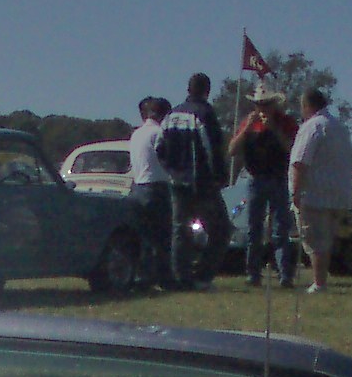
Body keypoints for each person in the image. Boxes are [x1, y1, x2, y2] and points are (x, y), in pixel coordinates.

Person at [159, 72, 230, 289]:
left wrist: (171, 170)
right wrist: (219, 176)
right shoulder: (204, 113)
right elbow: (212, 148)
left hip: (177, 181)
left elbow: (160, 148)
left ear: (188, 89)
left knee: (180, 229)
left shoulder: (172, 114)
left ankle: (181, 277)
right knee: (221, 229)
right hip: (201, 182)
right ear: (207, 90)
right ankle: (202, 275)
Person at [288, 89, 352, 294]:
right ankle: (321, 280)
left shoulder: (312, 127)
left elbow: (300, 162)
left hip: (314, 192)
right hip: (337, 192)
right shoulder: (339, 128)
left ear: (307, 106)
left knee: (314, 239)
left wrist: (296, 192)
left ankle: (319, 283)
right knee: (326, 239)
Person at [229, 96, 294, 286]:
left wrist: (274, 128)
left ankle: (284, 274)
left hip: (278, 179)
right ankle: (253, 273)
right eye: (259, 104)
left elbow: (291, 148)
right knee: (253, 229)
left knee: (280, 229)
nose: (262, 108)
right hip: (255, 179)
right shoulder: (249, 123)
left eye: (266, 104)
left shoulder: (285, 122)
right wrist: (247, 128)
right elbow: (232, 150)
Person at [125, 97, 174, 292]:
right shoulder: (159, 133)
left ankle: (140, 276)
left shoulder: (136, 134)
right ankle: (163, 278)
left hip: (137, 187)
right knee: (162, 237)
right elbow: (165, 157)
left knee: (143, 235)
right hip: (156, 187)